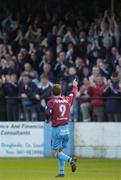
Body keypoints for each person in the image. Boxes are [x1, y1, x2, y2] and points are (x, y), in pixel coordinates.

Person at [45, 79, 78, 177]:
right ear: (61, 91)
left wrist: (47, 119)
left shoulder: (51, 102)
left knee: (55, 153)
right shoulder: (67, 100)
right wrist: (75, 86)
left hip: (57, 129)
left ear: (52, 92)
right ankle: (61, 172)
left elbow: (48, 112)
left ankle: (70, 160)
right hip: (66, 129)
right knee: (61, 151)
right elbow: (74, 94)